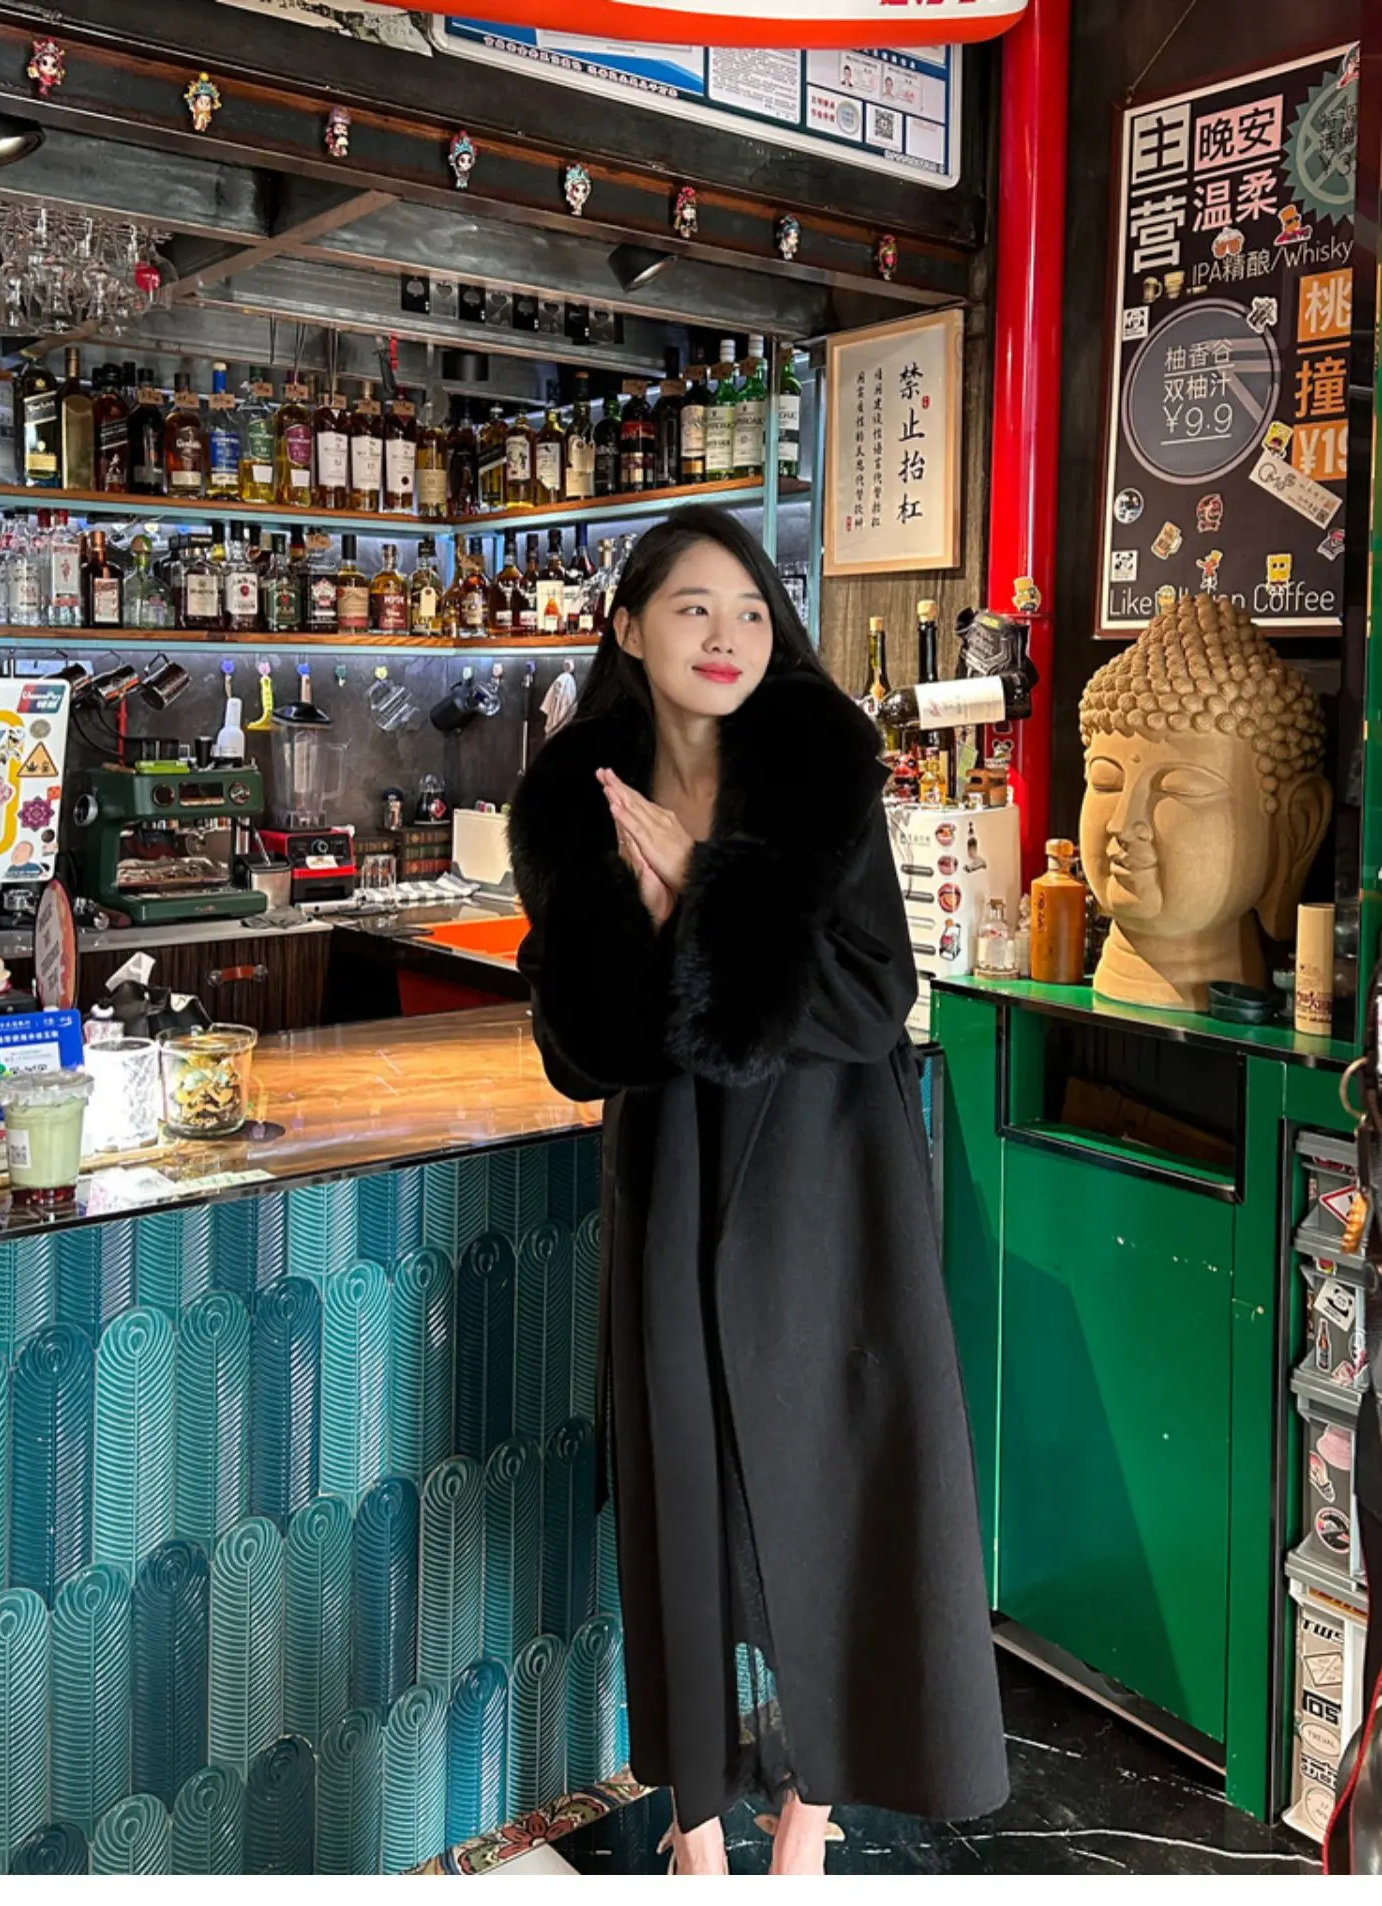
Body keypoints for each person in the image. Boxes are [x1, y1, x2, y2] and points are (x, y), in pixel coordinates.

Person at [509, 506, 1007, 1876]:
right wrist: (643, 932)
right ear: (628, 628)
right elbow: (575, 1051)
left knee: (832, 1475)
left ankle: (811, 1810)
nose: (726, 636)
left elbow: (876, 994)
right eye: (693, 608)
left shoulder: (818, 772)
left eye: (748, 610)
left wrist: (707, 906)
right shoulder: (568, 804)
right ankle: (695, 1824)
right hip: (671, 1169)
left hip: (827, 1175)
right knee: (685, 1482)